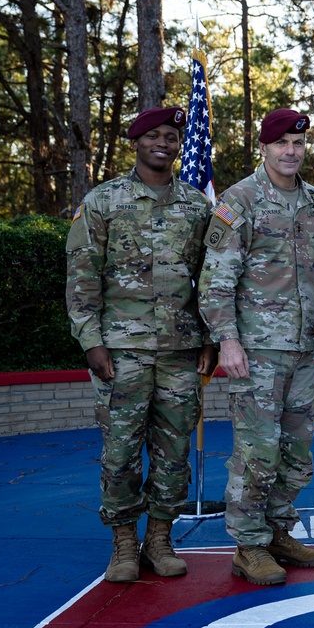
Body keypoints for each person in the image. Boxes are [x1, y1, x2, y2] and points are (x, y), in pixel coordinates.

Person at [66, 106, 217, 583]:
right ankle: (124, 543)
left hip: (180, 351)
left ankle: (159, 539)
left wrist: (211, 338)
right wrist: (92, 341)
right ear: (136, 141)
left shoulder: (196, 206)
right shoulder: (104, 201)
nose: (163, 143)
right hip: (121, 351)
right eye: (153, 135)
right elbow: (81, 276)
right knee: (121, 452)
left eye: (172, 136)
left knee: (173, 452)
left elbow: (211, 279)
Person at [199, 108, 314, 586]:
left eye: (299, 143)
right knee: (258, 451)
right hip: (254, 351)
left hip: (302, 350)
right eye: (282, 143)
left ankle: (278, 530)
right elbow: (216, 277)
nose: (291, 152)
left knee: (297, 451)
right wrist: (227, 341)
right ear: (264, 147)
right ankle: (248, 545)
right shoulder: (240, 200)